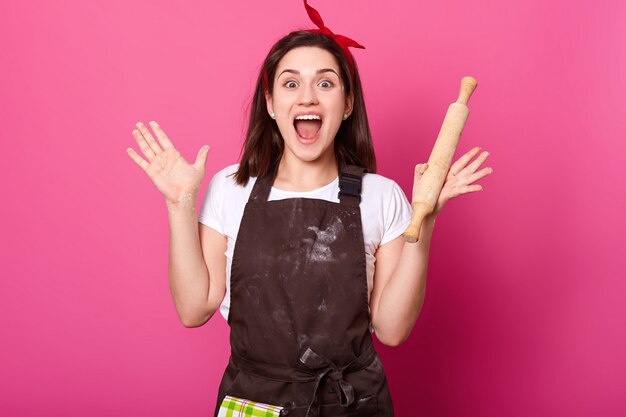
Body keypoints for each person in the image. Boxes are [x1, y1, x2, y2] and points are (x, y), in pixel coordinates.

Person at [126, 1, 492, 416]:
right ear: (269, 102)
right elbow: (193, 309)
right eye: (290, 83)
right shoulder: (232, 188)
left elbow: (392, 329)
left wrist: (425, 221)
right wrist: (179, 205)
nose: (307, 97)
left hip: (352, 404)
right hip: (252, 401)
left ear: (348, 104)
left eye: (325, 83)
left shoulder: (382, 195)